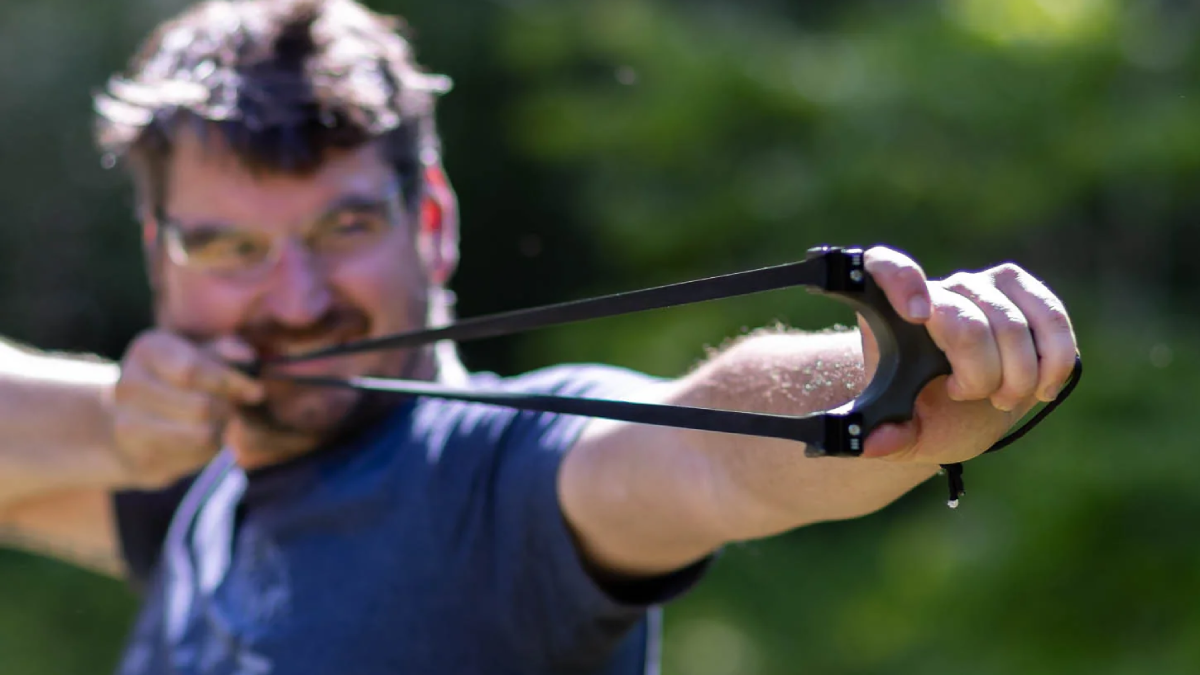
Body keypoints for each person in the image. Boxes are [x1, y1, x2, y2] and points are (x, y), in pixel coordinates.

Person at [0, 0, 1079, 673]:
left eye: (343, 228)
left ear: (433, 225)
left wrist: (898, 376)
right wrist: (116, 429)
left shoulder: (492, 486)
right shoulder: (199, 491)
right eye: (231, 249)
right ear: (160, 258)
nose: (292, 297)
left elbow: (692, 451)